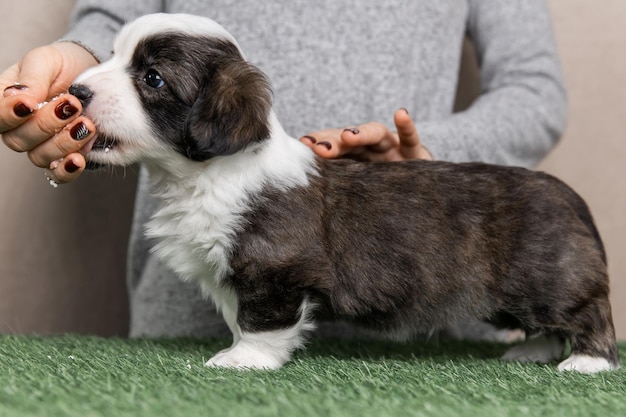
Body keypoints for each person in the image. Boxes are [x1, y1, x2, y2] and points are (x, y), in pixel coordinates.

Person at [0, 1, 567, 339]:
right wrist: (83, 64)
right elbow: (115, 21)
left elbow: (535, 93)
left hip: (431, 313)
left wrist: (428, 155)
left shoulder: (233, 109)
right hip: (190, 328)